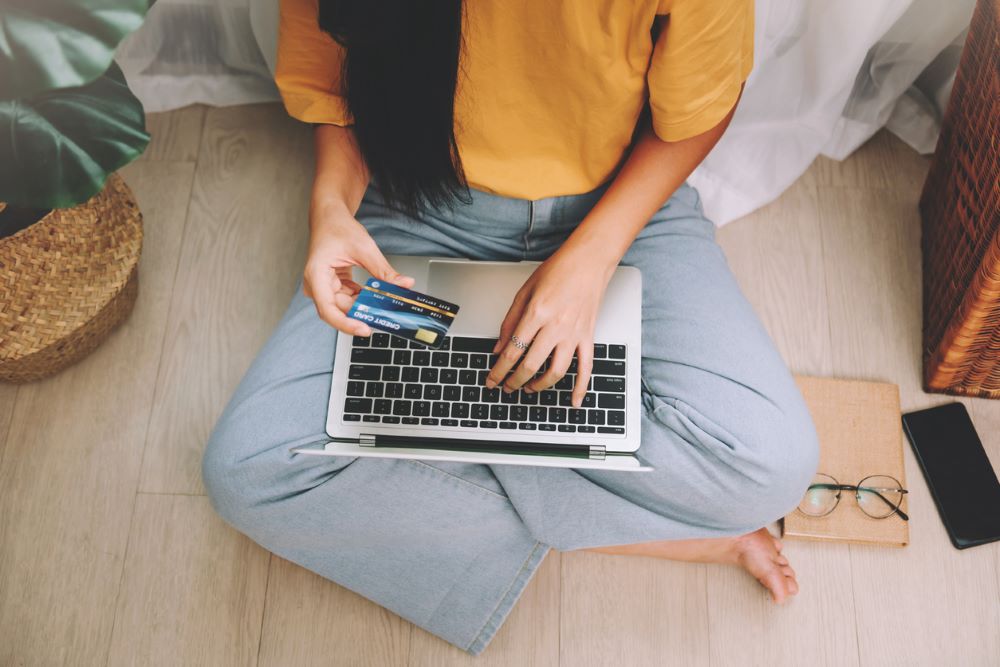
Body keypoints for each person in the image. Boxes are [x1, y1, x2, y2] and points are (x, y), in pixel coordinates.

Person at [203, 0, 819, 655]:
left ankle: (460, 480)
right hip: (417, 206)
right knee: (247, 472)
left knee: (771, 466)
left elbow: (706, 106)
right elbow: (335, 95)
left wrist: (591, 259)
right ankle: (653, 532)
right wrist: (330, 209)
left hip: (618, 209)